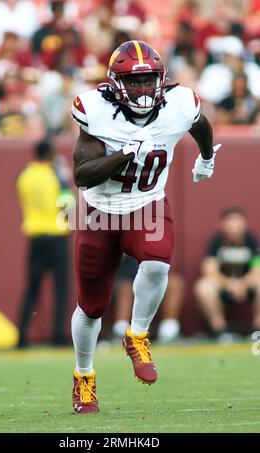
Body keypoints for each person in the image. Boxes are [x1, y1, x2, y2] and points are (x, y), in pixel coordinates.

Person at [70, 39, 219, 414]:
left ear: (161, 79)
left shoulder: (180, 103)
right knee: (92, 307)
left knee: (157, 262)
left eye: (149, 80)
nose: (142, 89)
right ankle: (83, 379)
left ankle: (136, 336)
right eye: (133, 82)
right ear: (116, 84)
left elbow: (200, 125)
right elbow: (82, 176)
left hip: (146, 205)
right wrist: (122, 154)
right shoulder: (96, 109)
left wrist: (205, 158)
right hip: (98, 212)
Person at [16, 139, 73, 347]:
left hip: (35, 236)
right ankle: (58, 336)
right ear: (50, 153)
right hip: (57, 235)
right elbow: (68, 205)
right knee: (60, 288)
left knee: (31, 289)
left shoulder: (24, 176)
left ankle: (21, 337)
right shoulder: (57, 176)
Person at [194, 207, 260, 340]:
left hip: (246, 284)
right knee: (203, 287)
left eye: (238, 224)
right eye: (230, 224)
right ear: (223, 225)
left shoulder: (251, 240)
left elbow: (257, 268)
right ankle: (220, 330)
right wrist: (229, 284)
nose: (234, 228)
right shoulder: (217, 241)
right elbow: (209, 269)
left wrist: (242, 284)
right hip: (223, 285)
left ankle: (257, 329)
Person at [112, 255, 185, 343]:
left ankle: (168, 333)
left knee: (175, 284)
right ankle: (121, 331)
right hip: (128, 276)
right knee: (125, 288)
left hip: (153, 275)